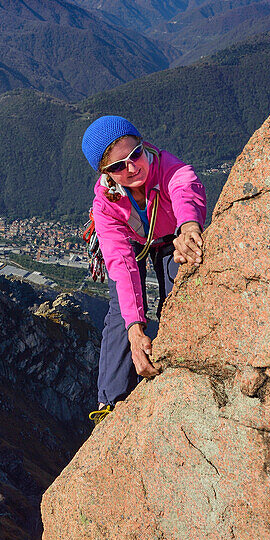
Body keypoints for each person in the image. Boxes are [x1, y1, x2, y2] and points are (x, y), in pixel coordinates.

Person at [81, 115, 206, 422]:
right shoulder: (106, 205)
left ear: (142, 145)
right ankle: (112, 400)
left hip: (171, 232)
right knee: (122, 312)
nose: (132, 168)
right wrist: (136, 332)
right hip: (129, 237)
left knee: (181, 289)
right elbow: (123, 267)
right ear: (105, 174)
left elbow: (184, 186)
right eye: (118, 166)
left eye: (134, 154)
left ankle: (182, 358)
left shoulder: (166, 167)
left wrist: (188, 227)